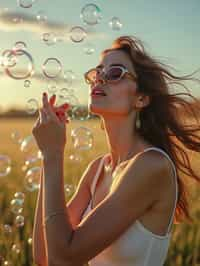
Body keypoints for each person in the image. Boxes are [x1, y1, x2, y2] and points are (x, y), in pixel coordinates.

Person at [32, 35, 200, 266]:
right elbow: (44, 257)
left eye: (114, 73)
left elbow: (63, 259)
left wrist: (53, 155)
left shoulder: (151, 165)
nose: (99, 78)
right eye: (97, 72)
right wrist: (48, 153)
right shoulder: (98, 169)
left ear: (141, 98)